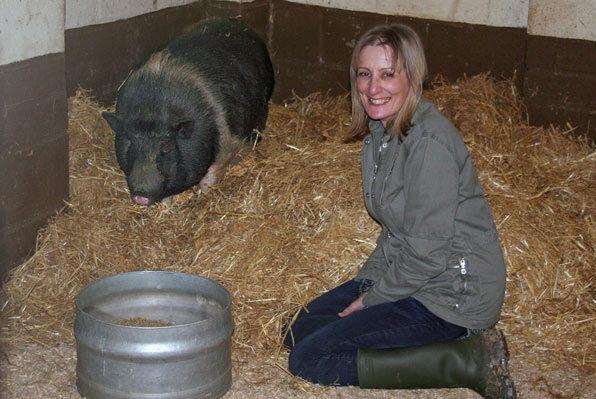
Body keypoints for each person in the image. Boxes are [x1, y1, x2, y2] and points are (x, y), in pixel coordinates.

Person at [283, 23, 516, 399]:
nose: (373, 88)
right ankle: (398, 339)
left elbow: (427, 254)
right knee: (297, 331)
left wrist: (370, 301)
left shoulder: (429, 144)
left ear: (413, 76)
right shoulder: (382, 135)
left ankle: (466, 360)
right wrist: (367, 283)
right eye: (364, 74)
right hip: (413, 276)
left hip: (451, 295)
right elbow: (395, 231)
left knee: (309, 358)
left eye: (388, 74)